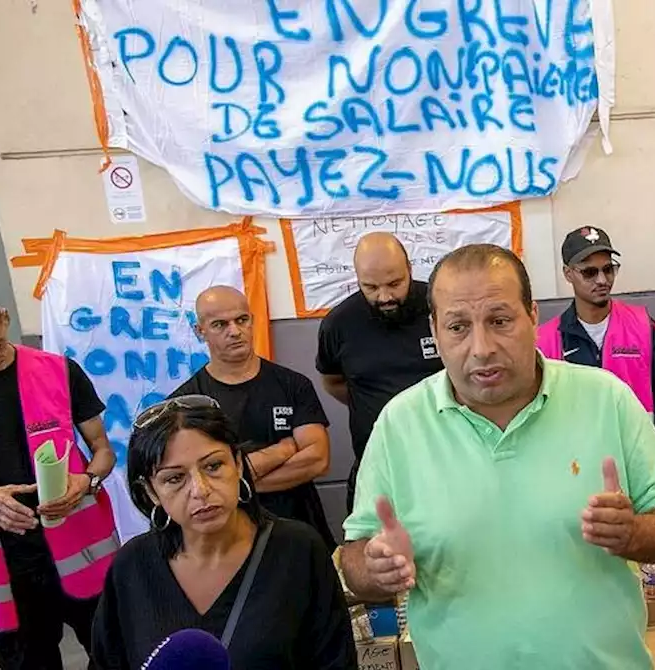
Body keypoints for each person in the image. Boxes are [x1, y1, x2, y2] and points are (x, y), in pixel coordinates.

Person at [339, 244, 655, 669]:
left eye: (500, 320)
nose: (482, 347)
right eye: (458, 327)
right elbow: (354, 558)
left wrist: (632, 533)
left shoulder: (605, 397)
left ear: (532, 316)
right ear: (435, 331)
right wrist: (377, 569)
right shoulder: (400, 423)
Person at [92, 397, 356, 669]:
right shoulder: (132, 566)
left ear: (238, 464)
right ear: (150, 491)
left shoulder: (299, 550)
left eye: (213, 466)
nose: (200, 489)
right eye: (174, 478)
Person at [0, 286, 118, 670]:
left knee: (116, 653)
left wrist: (86, 481)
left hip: (79, 548)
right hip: (2, 567)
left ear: (5, 317)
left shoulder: (59, 371)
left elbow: (103, 451)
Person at [173, 286, 335, 549]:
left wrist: (233, 484)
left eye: (242, 320)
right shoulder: (187, 404)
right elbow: (198, 480)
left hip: (302, 530)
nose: (235, 331)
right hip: (230, 541)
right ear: (199, 331)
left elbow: (317, 459)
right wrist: (286, 448)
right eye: (219, 324)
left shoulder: (293, 384)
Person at [316, 232, 444, 511]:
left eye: (395, 284)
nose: (385, 296)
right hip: (377, 465)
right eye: (371, 287)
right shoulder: (338, 324)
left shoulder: (441, 306)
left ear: (410, 269)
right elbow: (333, 381)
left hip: (443, 460)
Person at [536, 227, 655, 463]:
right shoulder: (546, 341)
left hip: (640, 463)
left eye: (608, 269)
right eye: (590, 272)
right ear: (568, 274)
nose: (602, 280)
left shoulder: (644, 327)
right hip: (574, 469)